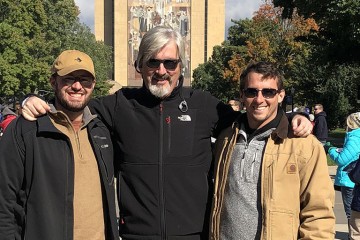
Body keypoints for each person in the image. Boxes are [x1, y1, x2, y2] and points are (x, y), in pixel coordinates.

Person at [21, 27, 313, 240]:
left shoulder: (203, 104)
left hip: (193, 235)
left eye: (170, 63)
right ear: (140, 65)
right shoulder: (121, 103)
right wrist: (34, 101)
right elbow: (74, 105)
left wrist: (293, 118)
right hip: (136, 235)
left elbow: (254, 116)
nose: (161, 71)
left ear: (180, 66)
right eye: (153, 62)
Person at [0, 50, 119, 240]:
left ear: (93, 85)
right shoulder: (27, 129)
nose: (78, 86)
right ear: (53, 82)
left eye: (85, 80)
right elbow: (4, 201)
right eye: (69, 78)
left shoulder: (101, 131)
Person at [210, 61, 335, 240]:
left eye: (268, 92)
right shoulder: (227, 138)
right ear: (242, 96)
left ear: (281, 95)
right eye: (252, 92)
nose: (259, 99)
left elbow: (319, 214)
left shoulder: (304, 145)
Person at [328, 112, 360, 239]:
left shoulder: (354, 138)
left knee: (351, 214)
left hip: (350, 179)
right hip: (354, 179)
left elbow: (342, 160)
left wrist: (330, 151)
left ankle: (351, 236)